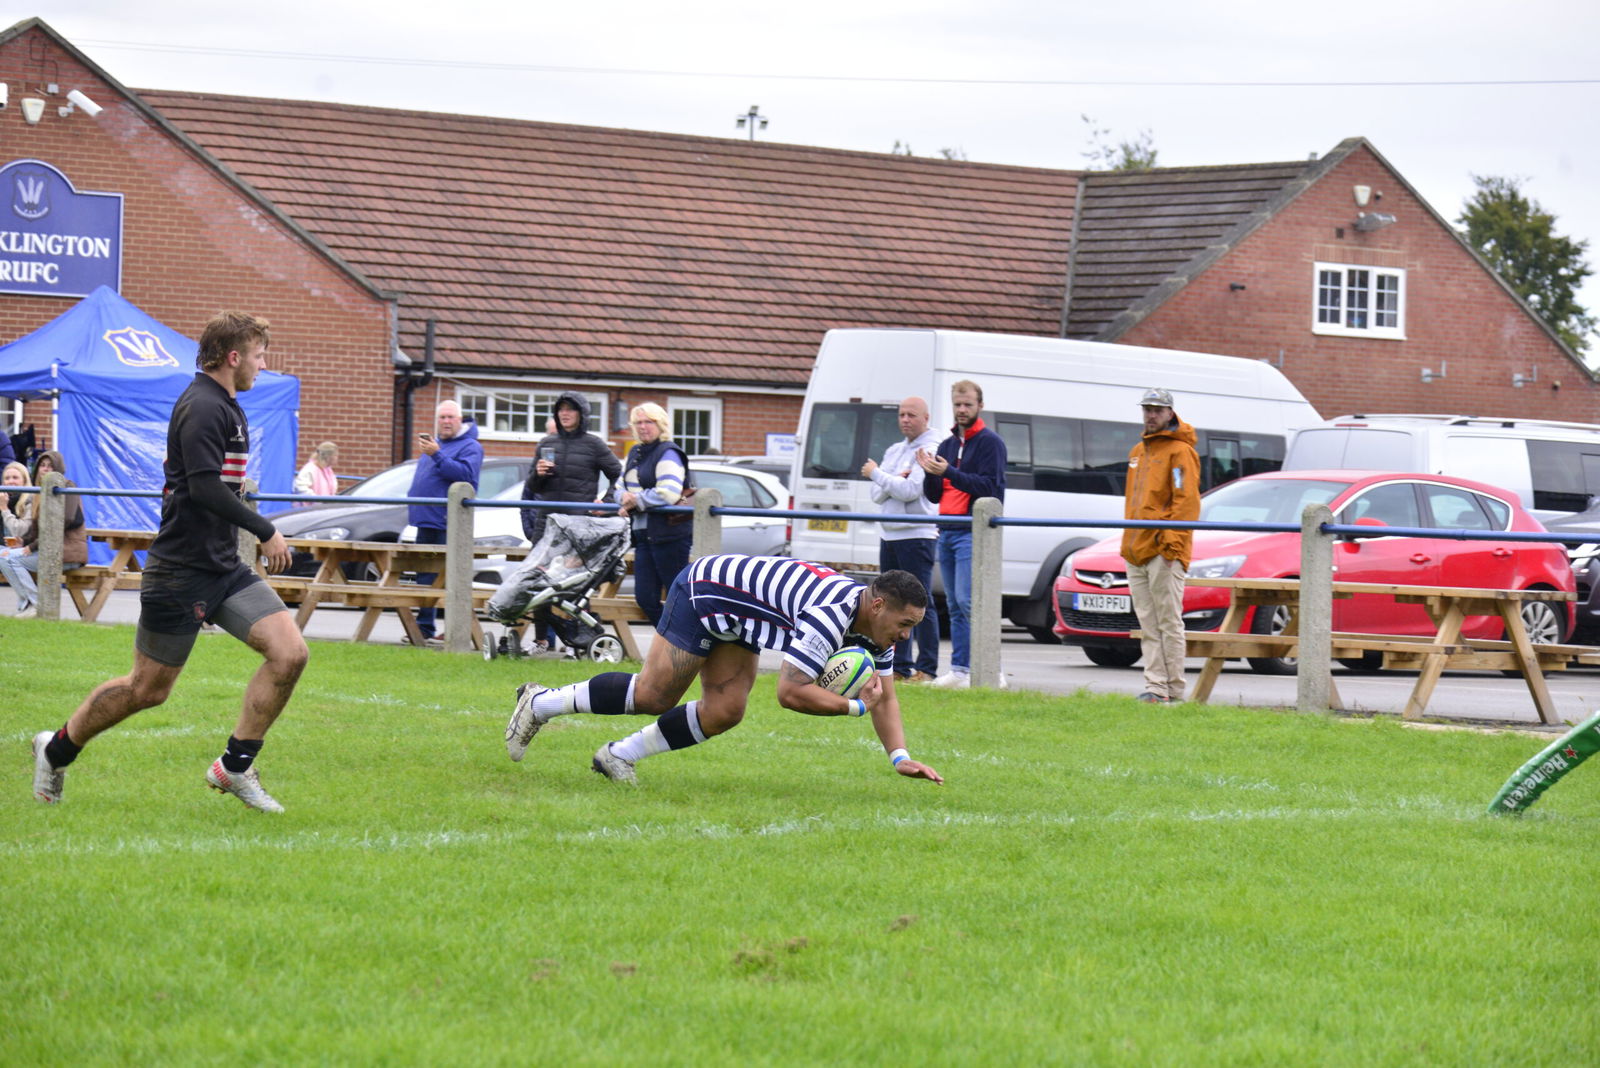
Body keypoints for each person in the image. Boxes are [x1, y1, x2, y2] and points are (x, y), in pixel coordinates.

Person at [30, 311, 307, 810]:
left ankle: (234, 768)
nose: (263, 365)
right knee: (147, 689)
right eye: (259, 355)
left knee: (290, 654)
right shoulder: (203, 405)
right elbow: (203, 487)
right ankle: (55, 749)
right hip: (180, 571)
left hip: (223, 568)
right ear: (233, 357)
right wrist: (265, 530)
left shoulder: (227, 404)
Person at [504, 554, 943, 786]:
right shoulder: (831, 616)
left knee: (726, 710)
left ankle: (617, 756)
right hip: (706, 591)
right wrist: (854, 709)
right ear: (879, 605)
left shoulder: (876, 629)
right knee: (655, 695)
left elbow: (886, 694)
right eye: (905, 625)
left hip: (740, 616)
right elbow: (790, 693)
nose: (906, 637)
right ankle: (540, 702)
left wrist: (899, 757)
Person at [917, 379, 1006, 689]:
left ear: (980, 405)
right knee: (954, 603)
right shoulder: (947, 445)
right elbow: (933, 496)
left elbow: (990, 489)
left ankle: (989, 669)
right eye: (957, 404)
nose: (962, 410)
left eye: (968, 404)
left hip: (972, 531)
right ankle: (959, 669)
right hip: (948, 530)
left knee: (970, 602)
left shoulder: (990, 443)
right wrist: (929, 473)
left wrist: (950, 473)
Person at [1122, 388, 1201, 704]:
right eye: (1147, 409)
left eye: (1157, 409)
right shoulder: (1137, 452)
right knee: (1148, 622)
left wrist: (1171, 546)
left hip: (1162, 551)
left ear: (1170, 413)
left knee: (1168, 621)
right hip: (1136, 548)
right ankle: (1155, 686)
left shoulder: (1181, 453)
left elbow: (1185, 502)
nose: (1151, 415)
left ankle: (1174, 689)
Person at [862, 395, 942, 683]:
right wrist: (889, 479)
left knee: (923, 602)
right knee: (891, 602)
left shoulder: (931, 448)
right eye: (901, 415)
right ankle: (899, 666)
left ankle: (927, 668)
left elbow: (910, 491)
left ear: (925, 418)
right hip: (890, 533)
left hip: (916, 534)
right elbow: (876, 494)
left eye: (911, 415)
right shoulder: (896, 449)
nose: (905, 419)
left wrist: (878, 474)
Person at [406, 398, 484, 645]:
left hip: (448, 522)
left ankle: (453, 629)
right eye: (442, 417)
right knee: (424, 577)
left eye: (451, 417)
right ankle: (424, 628)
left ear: (460, 420)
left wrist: (438, 456)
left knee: (448, 579)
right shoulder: (435, 445)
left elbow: (466, 478)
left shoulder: (470, 446)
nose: (446, 422)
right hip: (425, 521)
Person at [617, 402, 692, 628]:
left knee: (678, 597)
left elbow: (668, 493)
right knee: (645, 597)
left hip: (670, 536)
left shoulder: (669, 452)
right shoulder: (635, 452)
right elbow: (618, 487)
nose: (643, 427)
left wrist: (635, 500)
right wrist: (623, 498)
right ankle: (671, 640)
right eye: (638, 422)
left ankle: (684, 645)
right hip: (642, 536)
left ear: (660, 425)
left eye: (648, 422)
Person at [0, 450, 87, 617]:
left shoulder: (68, 488)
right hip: (47, 550)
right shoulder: (39, 493)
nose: (45, 469)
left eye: (50, 466)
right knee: (3, 556)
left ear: (59, 469)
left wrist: (31, 547)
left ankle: (35, 604)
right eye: (42, 465)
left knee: (11, 559)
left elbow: (63, 522)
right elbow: (37, 529)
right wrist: (23, 543)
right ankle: (29, 604)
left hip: (66, 553)